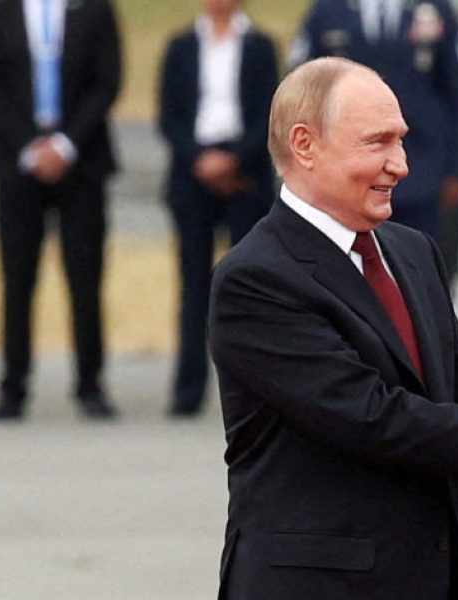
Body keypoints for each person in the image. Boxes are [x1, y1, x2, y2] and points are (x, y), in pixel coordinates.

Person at [208, 57, 458, 599]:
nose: (401, 164)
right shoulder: (255, 279)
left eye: (401, 141)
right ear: (304, 145)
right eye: (376, 143)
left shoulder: (413, 254)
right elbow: (372, 418)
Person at [0, 0, 122, 421]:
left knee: (85, 276)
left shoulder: (94, 9)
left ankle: (90, 384)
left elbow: (107, 80)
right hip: (16, 163)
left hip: (82, 160)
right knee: (17, 278)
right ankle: (13, 386)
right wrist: (29, 145)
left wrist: (65, 145)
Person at [158, 0, 279, 418]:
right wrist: (201, 161)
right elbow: (169, 116)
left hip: (245, 174)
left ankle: (256, 388)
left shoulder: (262, 46)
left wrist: (236, 162)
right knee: (193, 284)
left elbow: (269, 112)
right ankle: (188, 390)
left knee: (249, 286)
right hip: (193, 171)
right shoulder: (181, 46)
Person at [292, 0, 458, 274]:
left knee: (417, 269)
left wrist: (457, 167)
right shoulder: (328, 11)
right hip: (349, 169)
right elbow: (303, 91)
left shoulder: (435, 9)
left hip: (420, 168)